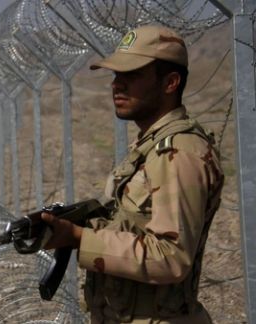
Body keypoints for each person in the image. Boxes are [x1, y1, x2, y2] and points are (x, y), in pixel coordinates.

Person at [41, 25, 224, 323]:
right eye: (116, 76)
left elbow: (171, 256)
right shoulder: (151, 146)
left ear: (170, 83)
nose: (117, 85)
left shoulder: (177, 152)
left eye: (132, 75)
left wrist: (79, 238)